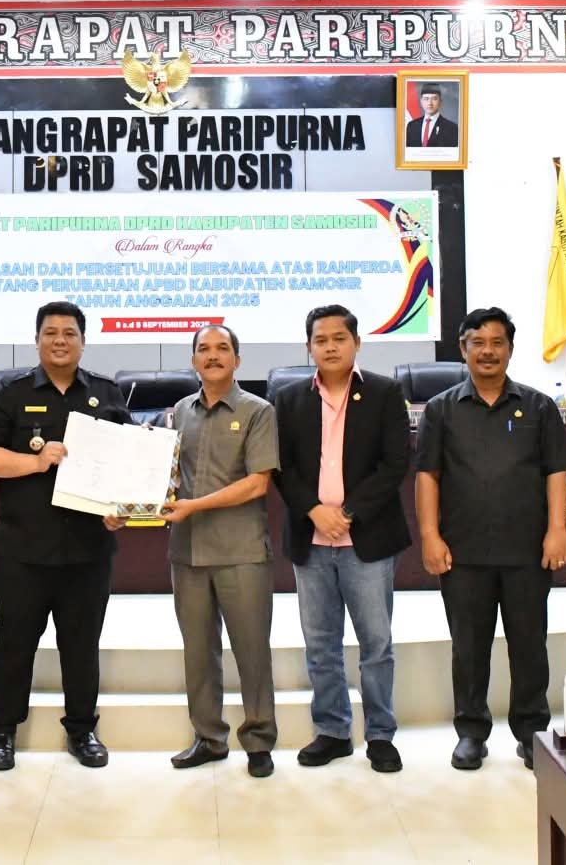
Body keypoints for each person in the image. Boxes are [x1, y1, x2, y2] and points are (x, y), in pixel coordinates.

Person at [0, 300, 130, 771]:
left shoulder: (105, 393)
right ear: (37, 339)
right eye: (51, 333)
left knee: (81, 646)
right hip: (23, 548)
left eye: (69, 333)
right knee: (15, 643)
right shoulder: (11, 392)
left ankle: (82, 730)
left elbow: (128, 463)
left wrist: (121, 509)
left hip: (88, 549)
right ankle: (2, 732)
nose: (60, 341)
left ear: (83, 341)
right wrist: (36, 462)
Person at [417, 306, 566, 771]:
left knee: (529, 644)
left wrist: (557, 531)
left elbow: (556, 472)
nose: (488, 351)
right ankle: (471, 732)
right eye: (478, 343)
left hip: (527, 549)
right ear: (462, 349)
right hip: (462, 550)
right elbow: (427, 476)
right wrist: (429, 535)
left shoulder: (538, 406)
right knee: (468, 647)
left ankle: (531, 732)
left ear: (510, 348)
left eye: (497, 343)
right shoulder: (441, 409)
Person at [274, 304, 413, 773]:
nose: (330, 347)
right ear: (308, 346)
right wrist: (314, 510)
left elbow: (395, 464)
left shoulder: (385, 393)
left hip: (366, 540)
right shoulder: (289, 399)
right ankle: (332, 731)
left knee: (376, 644)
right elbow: (281, 466)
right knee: (321, 644)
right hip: (310, 540)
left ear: (356, 343)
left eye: (339, 338)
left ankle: (380, 734)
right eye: (321, 340)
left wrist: (347, 513)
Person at [161, 324, 279, 778]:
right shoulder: (180, 411)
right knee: (198, 652)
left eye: (222, 348)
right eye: (204, 349)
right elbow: (169, 477)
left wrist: (194, 506)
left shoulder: (258, 411)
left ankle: (259, 740)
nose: (213, 355)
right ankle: (209, 738)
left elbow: (257, 483)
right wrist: (129, 506)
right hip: (187, 552)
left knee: (252, 652)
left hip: (241, 552)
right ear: (193, 360)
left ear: (237, 359)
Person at [404, 84, 458, 149]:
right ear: (421, 101)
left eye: (434, 99)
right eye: (426, 99)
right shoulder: (412, 126)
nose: (430, 103)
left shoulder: (452, 128)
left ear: (440, 102)